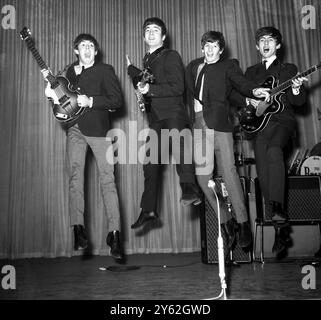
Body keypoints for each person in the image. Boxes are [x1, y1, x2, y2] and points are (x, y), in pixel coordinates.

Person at [185, 31, 271, 249]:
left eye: (214, 46)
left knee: (229, 173)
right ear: (202, 47)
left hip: (219, 125)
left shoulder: (228, 66)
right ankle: (226, 219)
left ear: (221, 49)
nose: (210, 49)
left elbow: (240, 83)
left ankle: (243, 223)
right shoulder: (193, 66)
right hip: (197, 125)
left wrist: (253, 91)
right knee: (203, 178)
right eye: (206, 45)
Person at [43, 34, 124, 260]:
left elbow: (116, 100)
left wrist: (91, 101)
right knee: (75, 178)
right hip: (75, 129)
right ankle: (78, 230)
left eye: (91, 46)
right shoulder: (67, 72)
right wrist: (51, 93)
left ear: (96, 52)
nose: (87, 49)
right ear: (76, 50)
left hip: (99, 130)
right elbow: (62, 101)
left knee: (108, 181)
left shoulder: (105, 70)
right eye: (82, 46)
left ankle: (114, 235)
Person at [236, 26, 307, 255]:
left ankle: (277, 209)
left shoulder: (289, 69)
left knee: (275, 152)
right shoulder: (250, 72)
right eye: (262, 40)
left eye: (270, 40)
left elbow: (299, 103)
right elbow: (240, 97)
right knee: (264, 174)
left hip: (281, 122)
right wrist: (249, 102)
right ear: (257, 46)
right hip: (259, 127)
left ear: (278, 45)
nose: (266, 43)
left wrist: (296, 89)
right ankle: (280, 230)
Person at [127, 17, 202, 229]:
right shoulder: (147, 60)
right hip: (157, 119)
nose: (151, 33)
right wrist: (136, 76)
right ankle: (149, 209)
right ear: (143, 36)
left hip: (174, 114)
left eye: (156, 30)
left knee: (180, 150)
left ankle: (190, 189)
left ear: (163, 36)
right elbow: (148, 81)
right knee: (150, 165)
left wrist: (149, 90)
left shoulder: (171, 55)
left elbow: (178, 87)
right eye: (147, 30)